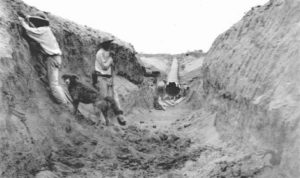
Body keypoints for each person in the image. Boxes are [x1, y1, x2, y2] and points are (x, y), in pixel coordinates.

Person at [18, 12, 72, 107]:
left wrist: (22, 21)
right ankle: (67, 101)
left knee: (54, 85)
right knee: (56, 83)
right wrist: (26, 18)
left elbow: (29, 31)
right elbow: (34, 28)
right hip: (56, 58)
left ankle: (64, 105)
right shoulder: (46, 30)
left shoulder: (42, 31)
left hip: (52, 59)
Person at [93, 40, 125, 123]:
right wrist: (111, 59)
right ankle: (100, 119)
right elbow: (104, 67)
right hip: (101, 77)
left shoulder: (109, 52)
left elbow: (113, 67)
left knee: (115, 97)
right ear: (103, 44)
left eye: (110, 43)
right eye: (107, 43)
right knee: (103, 98)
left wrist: (113, 59)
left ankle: (119, 115)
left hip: (109, 78)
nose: (109, 45)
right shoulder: (99, 53)